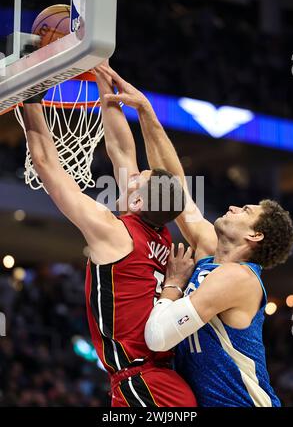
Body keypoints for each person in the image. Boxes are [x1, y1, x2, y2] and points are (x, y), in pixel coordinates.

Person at [101, 65, 293, 407]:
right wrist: (146, 112)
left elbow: (159, 337)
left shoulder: (238, 278)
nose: (235, 207)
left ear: (255, 235)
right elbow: (175, 187)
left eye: (246, 211)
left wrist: (173, 285)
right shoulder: (210, 250)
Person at [22, 66, 197, 408]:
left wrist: (31, 99)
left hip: (146, 383)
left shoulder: (116, 232)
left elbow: (46, 165)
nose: (132, 175)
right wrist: (103, 76)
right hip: (154, 378)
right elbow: (121, 149)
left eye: (138, 179)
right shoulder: (158, 232)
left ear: (137, 200)